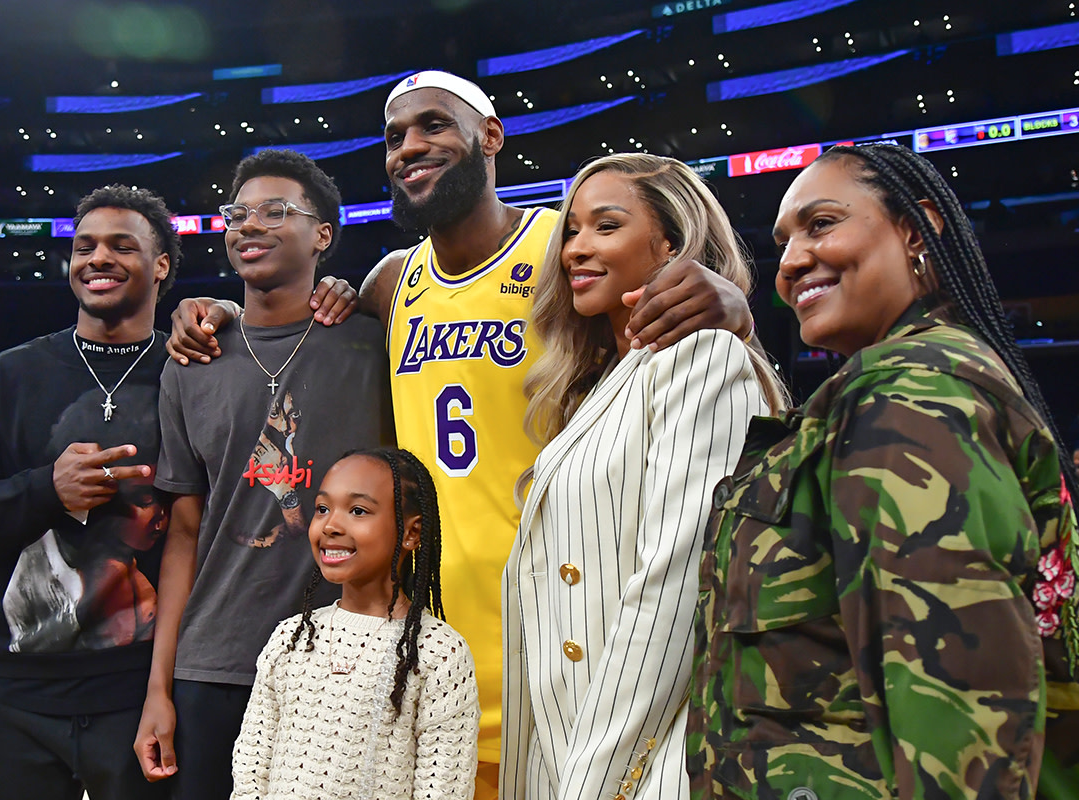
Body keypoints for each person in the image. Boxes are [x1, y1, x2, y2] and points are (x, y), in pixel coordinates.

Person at [167, 71, 757, 796]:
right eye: (394, 137)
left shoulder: (559, 246)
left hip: (555, 636)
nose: (409, 147)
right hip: (423, 652)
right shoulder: (388, 283)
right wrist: (208, 311)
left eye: (434, 126)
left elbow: (665, 316)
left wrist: (731, 302)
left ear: (490, 136)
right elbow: (285, 323)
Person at [688, 143, 1079, 799]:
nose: (790, 261)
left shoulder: (910, 401)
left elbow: (957, 716)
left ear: (913, 228)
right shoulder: (892, 389)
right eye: (783, 240)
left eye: (821, 223)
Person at [501, 154, 786, 800]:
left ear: (672, 244)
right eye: (571, 230)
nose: (575, 248)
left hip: (651, 763)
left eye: (606, 226)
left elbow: (676, 585)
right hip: (573, 750)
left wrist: (593, 782)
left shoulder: (703, 357)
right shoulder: (599, 385)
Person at [134, 149, 394, 800]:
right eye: (238, 213)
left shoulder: (372, 342)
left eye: (276, 211)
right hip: (214, 666)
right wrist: (160, 688)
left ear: (323, 235)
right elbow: (184, 535)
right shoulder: (190, 360)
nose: (249, 225)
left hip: (346, 662)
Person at [0, 185, 183, 800]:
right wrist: (47, 490)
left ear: (162, 266)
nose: (99, 257)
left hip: (144, 691)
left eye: (124, 246)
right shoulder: (9, 375)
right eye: (85, 246)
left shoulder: (192, 369)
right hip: (22, 692)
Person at [231, 448, 479, 799]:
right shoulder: (290, 638)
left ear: (411, 533)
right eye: (322, 509)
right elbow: (251, 769)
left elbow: (443, 788)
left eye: (358, 511)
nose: (331, 525)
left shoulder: (438, 653)